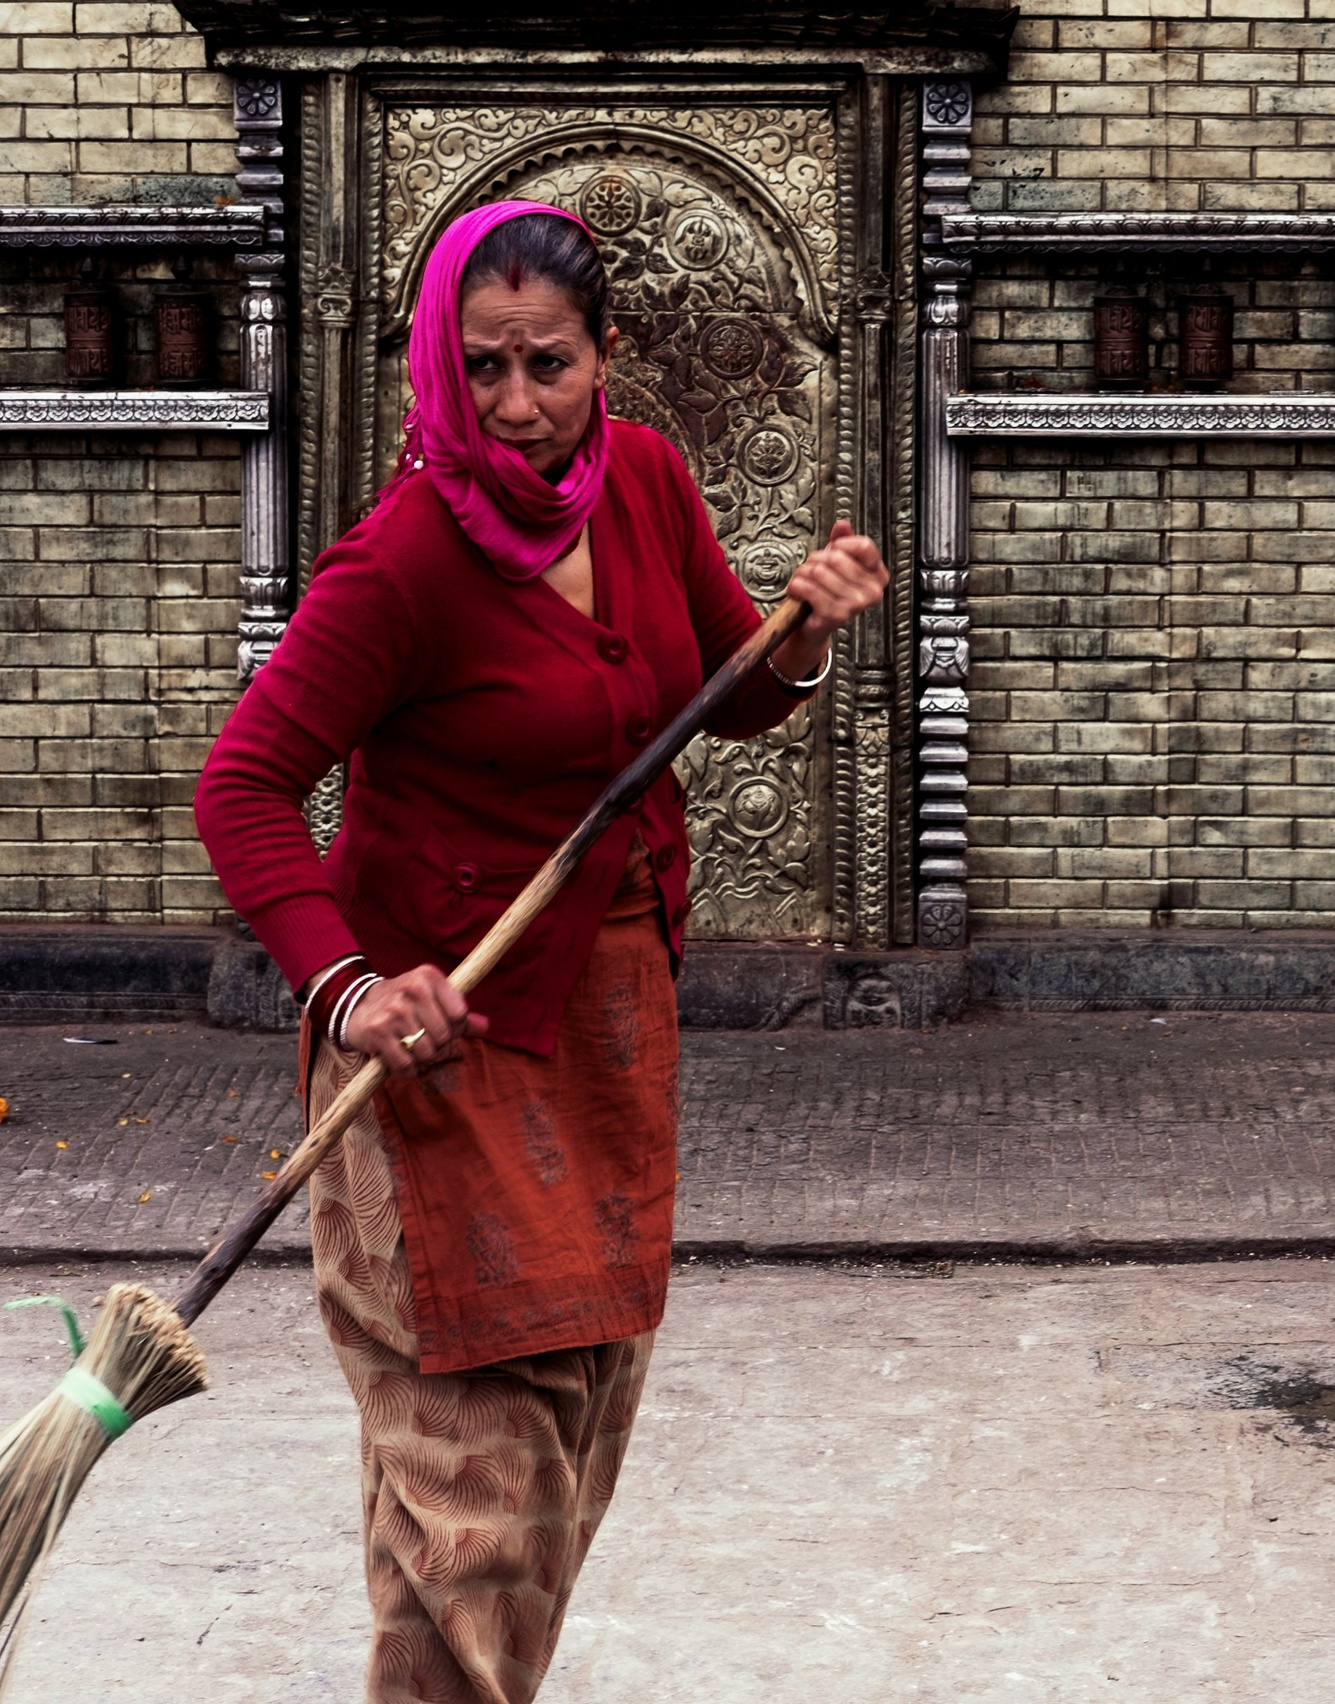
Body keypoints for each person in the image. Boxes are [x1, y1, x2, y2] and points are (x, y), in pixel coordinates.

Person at [194, 200, 885, 1703]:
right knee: (476, 1483)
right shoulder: (403, 565)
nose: (515, 407)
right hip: (433, 1052)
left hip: (602, 1032)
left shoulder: (641, 478)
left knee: (563, 1434)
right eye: (483, 367)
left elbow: (722, 687)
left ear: (604, 359)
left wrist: (806, 633)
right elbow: (241, 787)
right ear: (441, 366)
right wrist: (354, 989)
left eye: (548, 366)